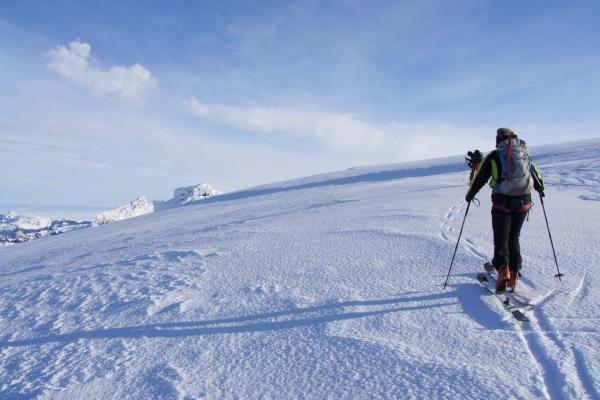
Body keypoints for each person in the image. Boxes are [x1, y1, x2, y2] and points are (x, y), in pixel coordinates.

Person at [465, 128, 544, 294]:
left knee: (501, 237)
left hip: (502, 201)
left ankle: (503, 271)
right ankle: (514, 274)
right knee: (514, 236)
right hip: (524, 201)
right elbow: (535, 174)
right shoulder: (523, 152)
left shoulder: (494, 155)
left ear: (498, 139)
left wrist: (469, 196)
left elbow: (480, 178)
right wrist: (540, 190)